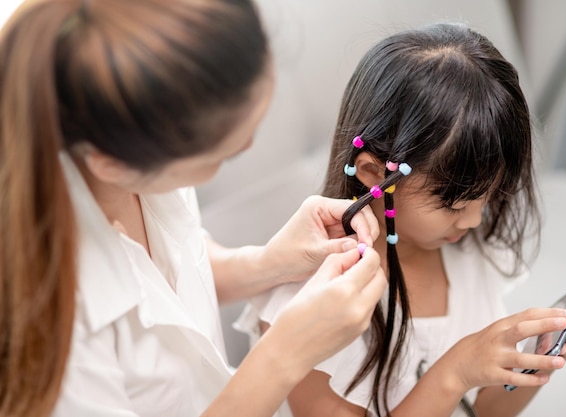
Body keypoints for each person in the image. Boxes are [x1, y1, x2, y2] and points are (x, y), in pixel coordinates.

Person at [0, 1, 390, 417]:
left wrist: (268, 262)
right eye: (222, 154)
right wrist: (286, 353)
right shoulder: (41, 322)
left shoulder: (140, 162)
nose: (249, 147)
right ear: (111, 164)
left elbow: (172, 272)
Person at [237, 22, 566, 417]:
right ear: (374, 173)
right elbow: (457, 383)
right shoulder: (314, 303)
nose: (474, 222)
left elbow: (483, 410)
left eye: (488, 197)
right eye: (455, 204)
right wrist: (455, 372)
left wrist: (539, 359)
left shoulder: (467, 257)